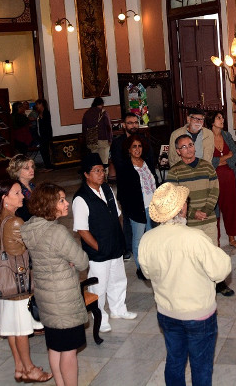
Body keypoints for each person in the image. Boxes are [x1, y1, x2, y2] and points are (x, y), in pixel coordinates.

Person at [139, 183, 232, 386]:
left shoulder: (147, 239)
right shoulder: (195, 238)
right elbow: (221, 270)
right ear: (181, 208)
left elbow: (147, 273)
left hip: (167, 312)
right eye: (185, 202)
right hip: (198, 314)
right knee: (201, 366)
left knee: (174, 360)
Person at [21, 183, 89, 386]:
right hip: (63, 298)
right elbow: (82, 261)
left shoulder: (29, 228)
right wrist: (69, 261)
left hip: (45, 296)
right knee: (68, 350)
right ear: (49, 204)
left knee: (54, 346)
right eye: (61, 200)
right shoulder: (56, 232)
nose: (66, 203)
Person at [0, 179, 52, 383]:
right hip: (18, 282)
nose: (22, 196)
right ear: (4, 198)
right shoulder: (16, 222)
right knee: (21, 331)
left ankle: (19, 367)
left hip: (6, 280)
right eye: (16, 193)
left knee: (11, 328)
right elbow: (29, 247)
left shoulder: (0, 218)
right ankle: (30, 369)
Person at [72, 153, 137, 333]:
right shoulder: (81, 198)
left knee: (118, 280)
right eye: (96, 171)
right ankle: (100, 318)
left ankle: (118, 309)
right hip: (98, 252)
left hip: (115, 246)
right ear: (86, 174)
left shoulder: (107, 189)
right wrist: (98, 247)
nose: (101, 174)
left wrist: (118, 238)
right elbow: (82, 230)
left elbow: (117, 215)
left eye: (102, 170)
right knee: (98, 286)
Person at [167, 134, 233, 297]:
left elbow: (215, 189)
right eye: (184, 147)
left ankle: (219, 283)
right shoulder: (174, 172)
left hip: (208, 218)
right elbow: (174, 198)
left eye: (190, 145)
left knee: (213, 252)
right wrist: (192, 213)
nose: (188, 149)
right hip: (188, 223)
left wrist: (207, 209)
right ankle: (198, 286)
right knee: (192, 256)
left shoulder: (207, 166)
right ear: (178, 151)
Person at [115, 134, 158, 280]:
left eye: (139, 146)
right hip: (137, 209)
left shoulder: (146, 162)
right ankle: (140, 268)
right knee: (139, 239)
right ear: (128, 149)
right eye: (134, 146)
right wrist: (129, 210)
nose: (137, 149)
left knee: (152, 238)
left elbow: (154, 182)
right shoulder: (125, 167)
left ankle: (151, 265)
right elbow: (122, 193)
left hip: (151, 207)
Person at [110, 112, 151, 259]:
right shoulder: (117, 143)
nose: (133, 125)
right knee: (128, 220)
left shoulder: (144, 139)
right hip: (127, 189)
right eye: (130, 123)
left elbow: (149, 160)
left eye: (135, 122)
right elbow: (119, 166)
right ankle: (128, 248)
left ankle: (148, 250)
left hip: (145, 191)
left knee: (148, 222)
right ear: (124, 125)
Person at [207, 111, 236, 249]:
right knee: (214, 210)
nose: (222, 120)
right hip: (213, 180)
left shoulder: (227, 135)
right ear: (212, 121)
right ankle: (215, 241)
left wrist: (223, 160)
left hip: (229, 178)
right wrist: (225, 157)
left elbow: (234, 155)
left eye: (222, 117)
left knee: (231, 209)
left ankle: (232, 239)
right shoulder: (206, 138)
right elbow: (208, 161)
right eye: (218, 118)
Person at [82, 97, 113, 168]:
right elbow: (108, 127)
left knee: (95, 162)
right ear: (102, 104)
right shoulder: (103, 112)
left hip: (92, 141)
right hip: (103, 140)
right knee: (104, 162)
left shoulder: (87, 113)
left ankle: (96, 177)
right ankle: (104, 178)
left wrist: (86, 140)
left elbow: (84, 128)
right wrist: (110, 139)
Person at [7, 154, 36, 221]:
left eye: (32, 167)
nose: (32, 170)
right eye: (26, 168)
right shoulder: (16, 190)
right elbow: (23, 215)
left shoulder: (32, 185)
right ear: (17, 171)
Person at [34, 98, 54, 172]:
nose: (36, 106)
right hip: (41, 135)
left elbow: (46, 125)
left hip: (45, 135)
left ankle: (49, 166)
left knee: (45, 151)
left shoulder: (46, 113)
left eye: (37, 104)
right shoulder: (39, 113)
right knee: (43, 151)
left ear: (41, 104)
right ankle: (47, 165)